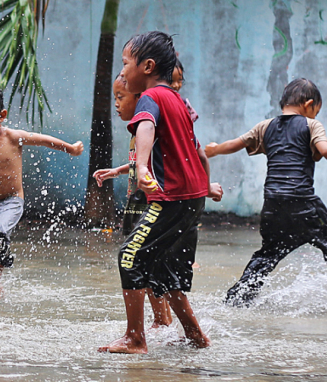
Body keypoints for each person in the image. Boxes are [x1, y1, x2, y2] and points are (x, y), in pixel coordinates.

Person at [99, 31, 218, 353]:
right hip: (192, 198)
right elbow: (196, 149)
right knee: (163, 267)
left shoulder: (151, 98)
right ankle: (195, 336)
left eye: (126, 64)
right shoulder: (177, 99)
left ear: (148, 66)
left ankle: (135, 338)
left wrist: (141, 167)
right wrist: (206, 186)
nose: (122, 73)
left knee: (129, 257)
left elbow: (146, 127)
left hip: (172, 197)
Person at [205, 78, 327, 307]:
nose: (315, 116)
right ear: (309, 105)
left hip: (273, 203)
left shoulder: (265, 125)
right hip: (303, 202)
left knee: (268, 254)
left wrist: (214, 150)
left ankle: (237, 300)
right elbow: (325, 150)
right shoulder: (311, 125)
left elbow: (235, 144)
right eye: (316, 111)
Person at [0, 82, 83, 300]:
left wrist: (71, 148)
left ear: (2, 115)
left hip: (11, 201)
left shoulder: (12, 137)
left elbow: (44, 140)